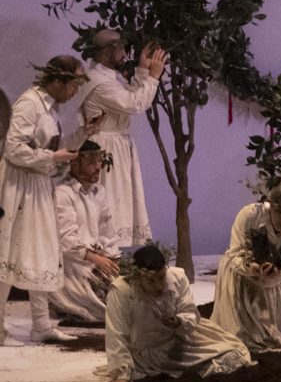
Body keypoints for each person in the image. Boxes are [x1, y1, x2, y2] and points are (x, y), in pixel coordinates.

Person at [2, 55, 88, 345]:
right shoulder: (30, 103)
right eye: (75, 83)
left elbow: (54, 149)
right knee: (8, 250)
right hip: (18, 186)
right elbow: (13, 149)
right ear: (59, 81)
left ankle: (41, 324)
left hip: (37, 184)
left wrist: (85, 134)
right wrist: (51, 157)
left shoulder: (51, 109)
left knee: (42, 250)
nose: (76, 90)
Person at [100, 243, 250, 382]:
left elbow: (189, 310)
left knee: (233, 355)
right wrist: (121, 374)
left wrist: (179, 321)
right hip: (149, 351)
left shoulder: (176, 277)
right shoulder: (122, 291)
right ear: (139, 277)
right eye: (151, 281)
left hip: (183, 339)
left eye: (161, 277)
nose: (159, 286)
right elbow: (116, 333)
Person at [70, 27, 165, 247]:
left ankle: (112, 254)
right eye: (120, 48)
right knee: (111, 202)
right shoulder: (99, 82)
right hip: (106, 147)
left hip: (116, 145)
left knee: (119, 201)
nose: (124, 53)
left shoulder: (106, 78)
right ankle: (107, 253)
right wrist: (153, 77)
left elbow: (129, 94)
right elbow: (135, 103)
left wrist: (142, 69)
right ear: (106, 52)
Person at [212, 182, 281, 357]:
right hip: (242, 279)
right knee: (240, 338)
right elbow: (236, 253)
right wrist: (252, 267)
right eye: (279, 213)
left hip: (274, 284)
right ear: (270, 208)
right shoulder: (249, 216)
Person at [52, 142, 122, 326]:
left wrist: (113, 257)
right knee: (111, 306)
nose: (98, 166)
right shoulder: (63, 193)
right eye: (91, 161)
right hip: (73, 264)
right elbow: (65, 239)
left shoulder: (99, 192)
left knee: (131, 288)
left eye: (99, 160)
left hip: (96, 259)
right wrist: (96, 259)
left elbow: (107, 230)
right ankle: (69, 305)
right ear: (74, 164)